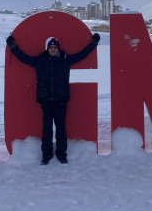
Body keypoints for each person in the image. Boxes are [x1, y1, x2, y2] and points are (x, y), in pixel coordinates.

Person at [6, 32, 100, 164]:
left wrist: (93, 44)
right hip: (46, 101)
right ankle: (47, 155)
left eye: (55, 47)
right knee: (47, 129)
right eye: (51, 47)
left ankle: (62, 154)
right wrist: (13, 47)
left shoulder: (65, 59)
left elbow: (82, 55)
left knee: (61, 128)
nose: (53, 49)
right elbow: (24, 58)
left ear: (58, 49)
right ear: (47, 48)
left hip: (61, 100)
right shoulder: (40, 61)